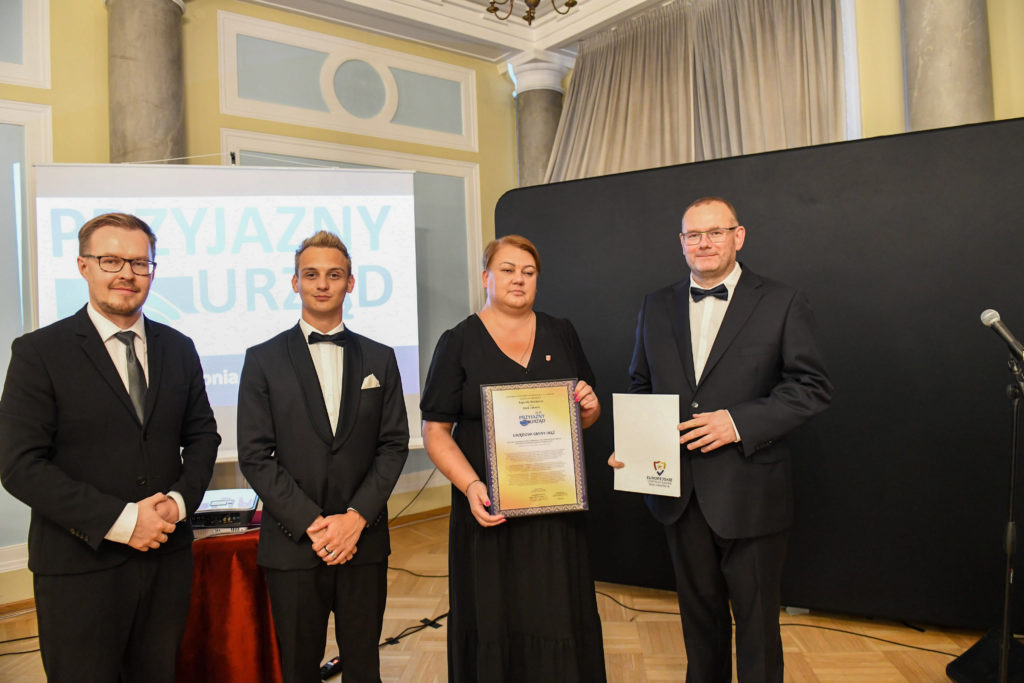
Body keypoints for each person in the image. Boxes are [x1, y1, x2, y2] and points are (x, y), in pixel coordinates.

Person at [609, 197, 833, 682]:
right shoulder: (655, 304)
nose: (704, 243)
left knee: (757, 626)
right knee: (699, 621)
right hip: (679, 494)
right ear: (681, 243)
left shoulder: (783, 301)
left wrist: (736, 422)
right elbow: (641, 385)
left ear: (739, 236)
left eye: (716, 232)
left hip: (751, 492)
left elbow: (811, 388)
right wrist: (637, 443)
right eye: (694, 234)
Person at [0, 212, 220, 682]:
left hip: (166, 561)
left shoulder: (178, 347)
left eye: (140, 263)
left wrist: (178, 503)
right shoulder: (39, 352)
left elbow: (203, 437)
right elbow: (19, 464)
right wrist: (123, 521)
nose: (127, 274)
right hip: (79, 567)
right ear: (83, 266)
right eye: (111, 260)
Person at [421, 234, 606, 682]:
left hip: (554, 511)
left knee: (556, 608)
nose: (518, 279)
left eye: (528, 272)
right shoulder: (458, 341)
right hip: (488, 509)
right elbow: (435, 431)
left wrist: (590, 408)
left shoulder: (562, 332)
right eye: (507, 270)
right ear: (486, 277)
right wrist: (471, 487)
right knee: (493, 611)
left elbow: (585, 416)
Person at [237, 230, 409, 683]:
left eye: (334, 275)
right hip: (294, 542)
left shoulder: (381, 358)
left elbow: (393, 445)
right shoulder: (262, 359)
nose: (322, 284)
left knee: (364, 667)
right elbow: (255, 455)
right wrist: (313, 524)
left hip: (363, 541)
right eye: (311, 274)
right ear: (295, 282)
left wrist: (355, 519)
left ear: (350, 283)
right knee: (297, 668)